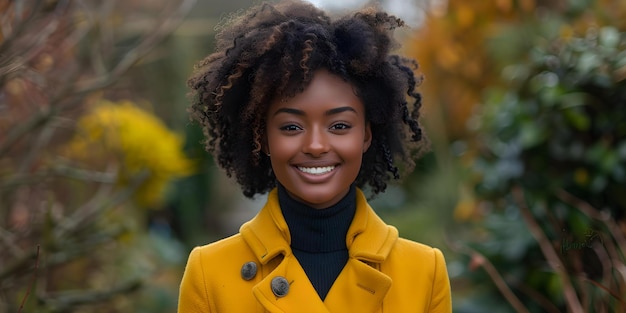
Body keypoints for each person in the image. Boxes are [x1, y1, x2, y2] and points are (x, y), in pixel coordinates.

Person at [178, 0, 452, 312]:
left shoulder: (425, 272)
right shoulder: (208, 274)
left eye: (339, 125)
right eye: (292, 126)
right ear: (263, 137)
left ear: (366, 134)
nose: (316, 145)